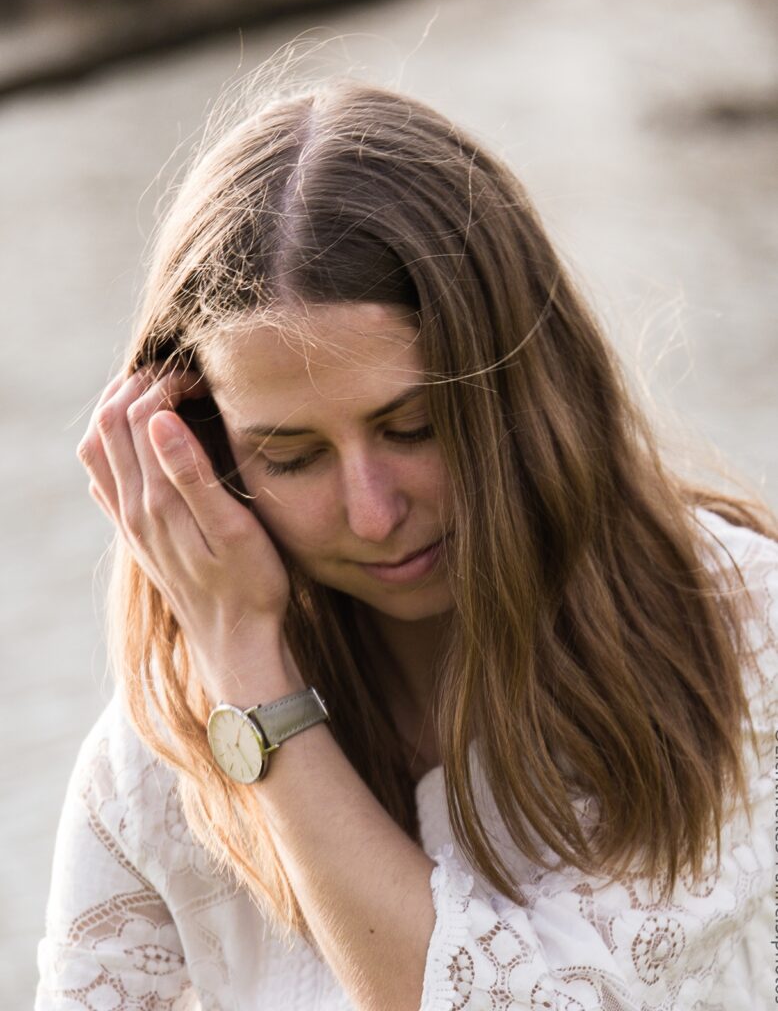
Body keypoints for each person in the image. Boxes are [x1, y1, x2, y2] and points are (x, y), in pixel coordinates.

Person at [36, 75, 776, 1011]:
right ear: (200, 450)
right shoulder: (158, 760)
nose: (373, 513)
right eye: (293, 456)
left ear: (527, 384)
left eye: (416, 427)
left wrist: (261, 704)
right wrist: (238, 657)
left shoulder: (737, 629)